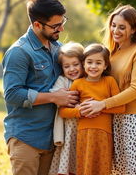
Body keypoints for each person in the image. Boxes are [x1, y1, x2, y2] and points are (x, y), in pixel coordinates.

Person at [2, 0, 79, 175]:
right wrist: (54, 97)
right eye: (55, 26)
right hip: (26, 137)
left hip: (52, 138)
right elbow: (13, 94)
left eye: (62, 23)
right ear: (37, 25)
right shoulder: (19, 52)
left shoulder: (59, 49)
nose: (60, 29)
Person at [80, 5, 136, 175]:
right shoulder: (111, 54)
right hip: (114, 119)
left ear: (133, 29)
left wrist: (101, 104)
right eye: (114, 25)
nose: (116, 30)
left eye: (122, 27)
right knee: (121, 171)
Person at [59, 43, 125, 175]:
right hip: (83, 134)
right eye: (89, 62)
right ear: (83, 63)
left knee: (103, 168)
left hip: (104, 134)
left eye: (98, 63)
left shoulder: (109, 81)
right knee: (85, 168)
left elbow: (121, 108)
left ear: (105, 65)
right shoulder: (78, 83)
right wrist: (80, 111)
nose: (93, 66)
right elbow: (63, 111)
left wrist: (98, 106)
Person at [48, 42, 84, 175]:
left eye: (75, 64)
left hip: (85, 130)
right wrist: (61, 96)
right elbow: (54, 94)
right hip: (68, 129)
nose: (72, 69)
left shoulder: (89, 80)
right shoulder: (63, 81)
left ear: (83, 63)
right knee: (67, 160)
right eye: (66, 66)